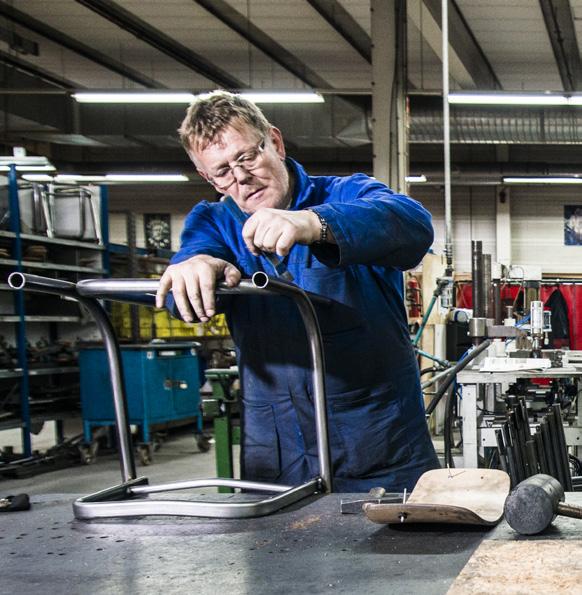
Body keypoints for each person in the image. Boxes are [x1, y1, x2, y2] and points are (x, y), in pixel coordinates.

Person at [156, 91, 439, 492]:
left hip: (380, 445)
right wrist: (196, 266)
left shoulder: (347, 194)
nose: (240, 178)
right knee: (279, 555)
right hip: (277, 454)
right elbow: (176, 293)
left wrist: (314, 224)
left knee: (401, 550)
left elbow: (414, 226)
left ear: (275, 141)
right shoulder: (214, 223)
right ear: (208, 178)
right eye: (221, 171)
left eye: (246, 157)